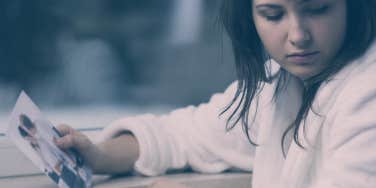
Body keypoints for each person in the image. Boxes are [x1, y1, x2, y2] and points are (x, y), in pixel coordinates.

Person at [54, 0, 376, 187]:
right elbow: (187, 133)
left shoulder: (367, 91)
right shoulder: (279, 86)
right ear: (249, 18)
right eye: (273, 14)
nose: (298, 35)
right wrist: (100, 155)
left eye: (318, 9)